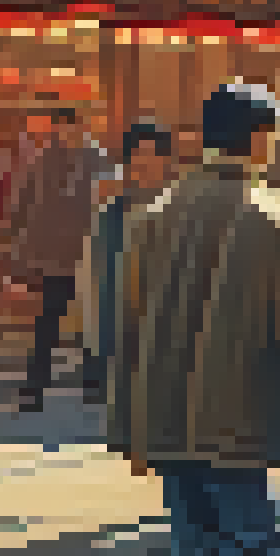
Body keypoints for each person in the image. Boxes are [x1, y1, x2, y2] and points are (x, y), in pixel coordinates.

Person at [114, 82, 280, 553]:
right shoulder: (271, 220)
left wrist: (127, 429)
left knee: (193, 541)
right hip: (237, 426)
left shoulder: (152, 217)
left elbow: (128, 333)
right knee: (251, 539)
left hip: (165, 423)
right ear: (259, 138)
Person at [5, 107, 103, 412]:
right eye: (59, 128)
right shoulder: (42, 161)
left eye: (69, 127)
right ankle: (35, 388)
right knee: (48, 324)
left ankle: (93, 384)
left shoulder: (96, 161)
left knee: (92, 324)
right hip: (54, 258)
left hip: (89, 254)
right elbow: (22, 206)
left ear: (80, 127)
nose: (64, 133)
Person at [82, 122, 172, 409]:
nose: (144, 165)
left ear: (165, 162)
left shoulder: (182, 213)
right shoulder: (110, 217)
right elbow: (93, 281)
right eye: (137, 156)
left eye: (152, 156)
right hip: (118, 330)